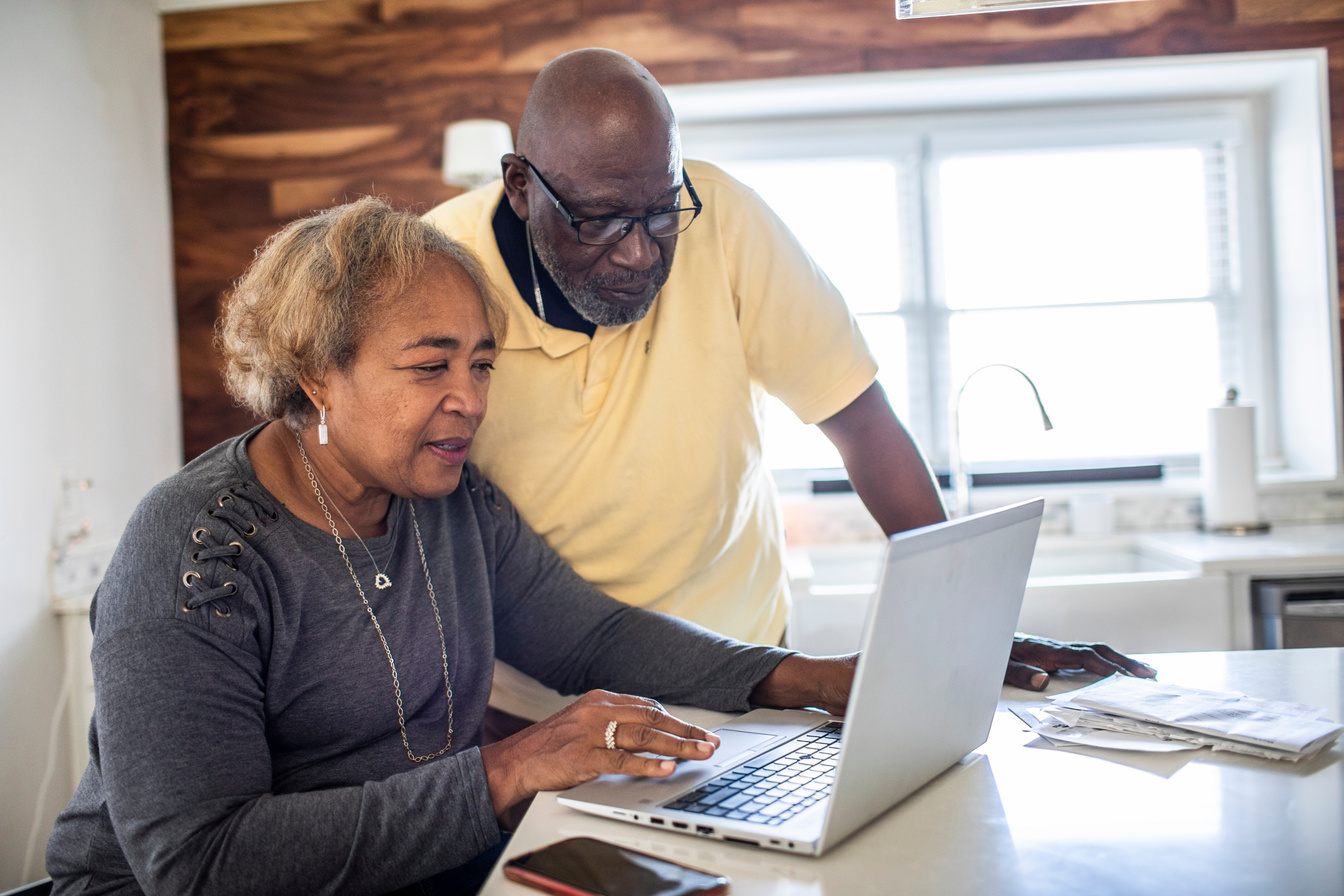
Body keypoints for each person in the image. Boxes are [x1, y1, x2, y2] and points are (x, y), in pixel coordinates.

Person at [44, 198, 854, 896]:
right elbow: (197, 863)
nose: (468, 399)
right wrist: (508, 770)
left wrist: (804, 678)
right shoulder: (195, 557)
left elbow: (592, 636)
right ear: (319, 376)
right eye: (431, 366)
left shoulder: (451, 503)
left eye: (481, 364)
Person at [423, 47, 1155, 716]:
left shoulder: (727, 222)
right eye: (602, 221)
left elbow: (861, 423)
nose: (639, 254)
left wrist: (966, 627)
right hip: (538, 698)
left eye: (660, 213)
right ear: (520, 186)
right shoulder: (440, 272)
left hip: (743, 669)